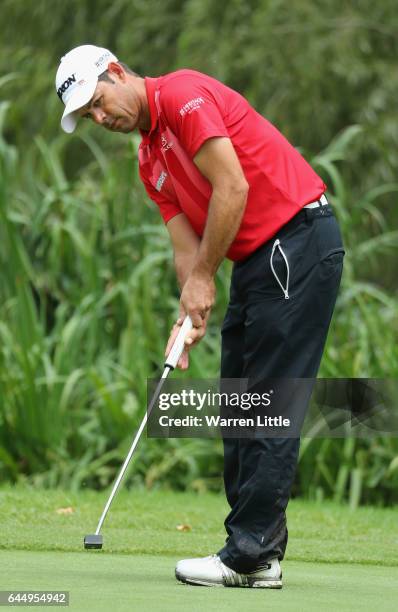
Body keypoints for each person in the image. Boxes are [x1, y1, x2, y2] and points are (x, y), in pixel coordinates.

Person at [55, 45, 345, 588]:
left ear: (117, 72)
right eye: (89, 116)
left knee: (267, 402)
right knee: (240, 400)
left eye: (98, 102)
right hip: (261, 258)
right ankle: (258, 552)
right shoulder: (149, 160)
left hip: (296, 240)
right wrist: (191, 313)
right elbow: (186, 249)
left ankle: (249, 554)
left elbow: (232, 187)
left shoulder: (182, 96)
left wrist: (206, 278)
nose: (101, 118)